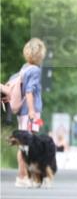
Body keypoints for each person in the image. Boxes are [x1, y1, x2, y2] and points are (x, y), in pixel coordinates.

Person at [12, 38, 46, 188]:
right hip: (29, 113)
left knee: (24, 145)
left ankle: (24, 176)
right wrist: (32, 111)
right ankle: (23, 176)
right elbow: (29, 91)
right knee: (26, 145)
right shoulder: (35, 71)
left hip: (22, 112)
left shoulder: (24, 68)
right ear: (39, 55)